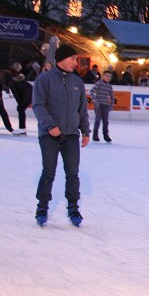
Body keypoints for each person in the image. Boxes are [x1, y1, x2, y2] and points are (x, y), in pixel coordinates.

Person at [32, 44, 90, 227]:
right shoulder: (45, 79)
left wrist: (85, 130)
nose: (76, 62)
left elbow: (82, 110)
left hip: (71, 134)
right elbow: (38, 105)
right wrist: (50, 126)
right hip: (50, 135)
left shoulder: (77, 82)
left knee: (73, 173)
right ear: (63, 59)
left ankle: (73, 207)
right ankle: (42, 207)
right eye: (73, 59)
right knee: (48, 172)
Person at [90, 70, 114, 142]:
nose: (108, 77)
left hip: (105, 105)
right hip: (98, 106)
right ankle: (95, 135)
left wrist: (111, 105)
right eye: (107, 76)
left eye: (110, 76)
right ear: (103, 76)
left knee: (105, 121)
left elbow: (112, 96)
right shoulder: (99, 83)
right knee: (97, 121)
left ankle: (106, 135)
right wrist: (95, 101)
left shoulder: (109, 86)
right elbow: (91, 92)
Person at [10, 65, 33, 135]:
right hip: (30, 98)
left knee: (20, 110)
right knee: (21, 110)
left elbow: (17, 95)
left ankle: (22, 128)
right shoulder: (26, 83)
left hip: (26, 99)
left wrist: (20, 103)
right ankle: (22, 128)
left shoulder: (15, 84)